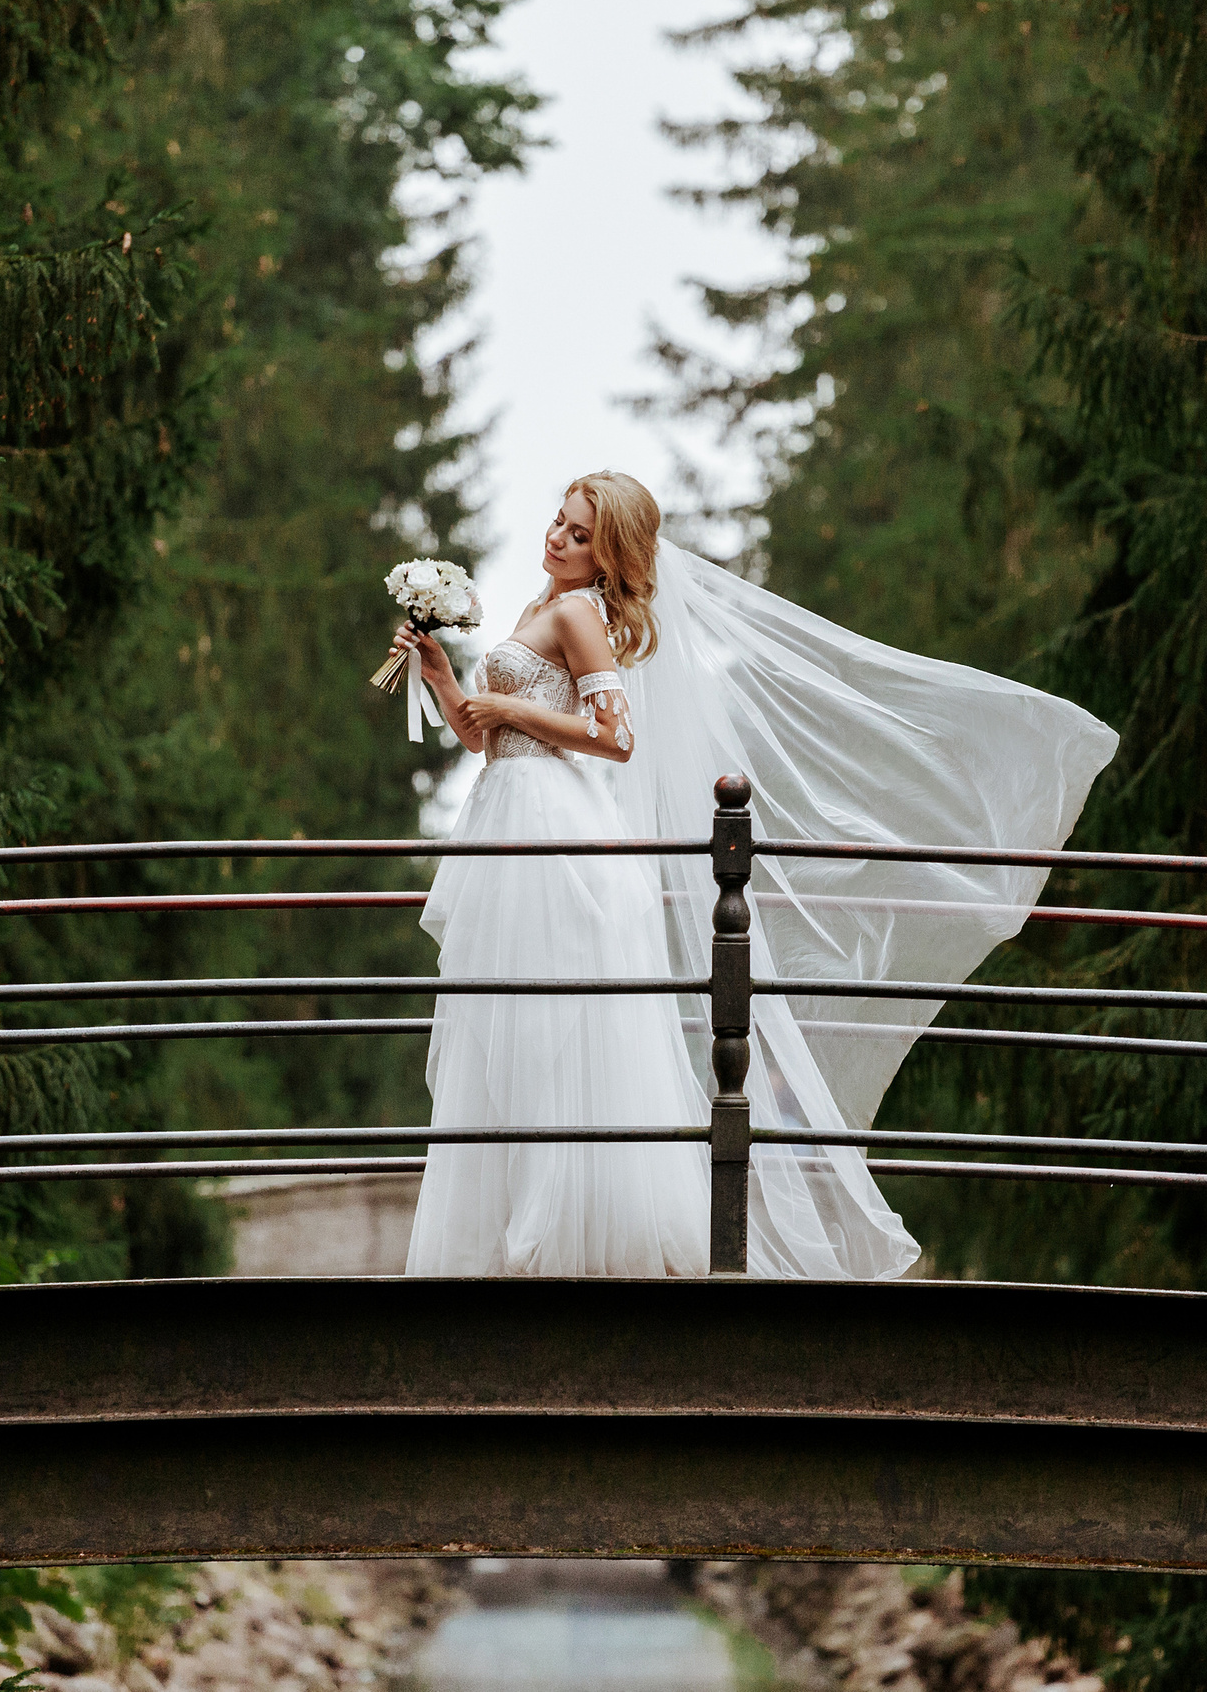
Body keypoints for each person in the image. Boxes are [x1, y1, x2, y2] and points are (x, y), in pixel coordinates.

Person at [396, 471, 1117, 1278]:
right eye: (558, 523)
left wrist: (513, 711)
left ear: (609, 558)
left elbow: (615, 735)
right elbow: (481, 735)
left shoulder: (577, 614)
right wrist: (443, 676)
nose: (557, 538)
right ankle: (505, 1225)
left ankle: (569, 1229)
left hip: (552, 827)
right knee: (504, 1023)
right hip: (504, 817)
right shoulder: (536, 608)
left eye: (579, 534)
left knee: (552, 1024)